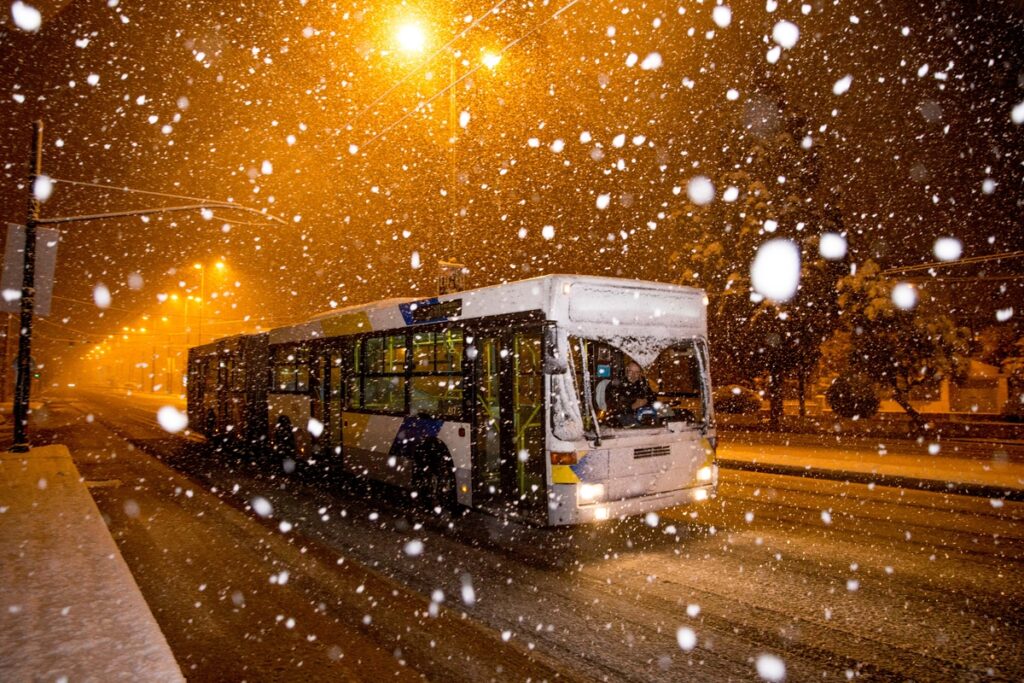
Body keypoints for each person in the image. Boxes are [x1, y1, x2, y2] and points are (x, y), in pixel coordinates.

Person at [608, 361, 657, 427]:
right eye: (631, 371)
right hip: (622, 417)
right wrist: (631, 406)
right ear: (626, 370)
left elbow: (652, 397)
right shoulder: (616, 384)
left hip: (642, 413)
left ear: (640, 373)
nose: (633, 375)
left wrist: (646, 400)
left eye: (637, 372)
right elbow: (613, 407)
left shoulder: (642, 383)